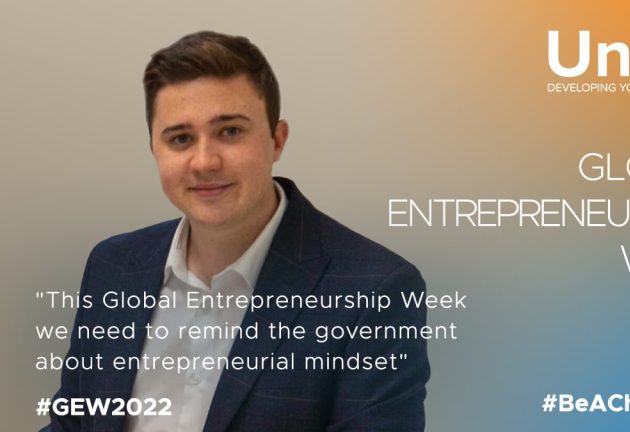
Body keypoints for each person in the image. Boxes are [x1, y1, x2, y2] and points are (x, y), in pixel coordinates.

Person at [43, 30, 429, 432]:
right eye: (180, 139)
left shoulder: (375, 291)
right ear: (155, 150)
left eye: (230, 132)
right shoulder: (113, 266)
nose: (205, 161)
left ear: (276, 140)